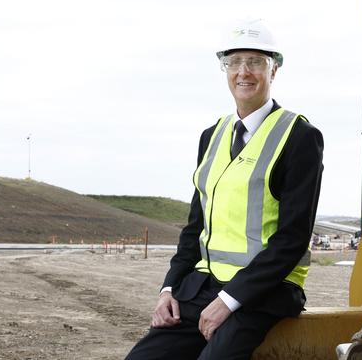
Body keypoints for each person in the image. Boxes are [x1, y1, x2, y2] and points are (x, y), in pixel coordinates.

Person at [125, 18, 323, 360]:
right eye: (235, 62)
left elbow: (292, 239)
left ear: (273, 70)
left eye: (256, 62)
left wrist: (229, 301)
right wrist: (169, 288)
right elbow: (194, 228)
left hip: (263, 293)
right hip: (203, 286)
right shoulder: (211, 136)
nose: (244, 72)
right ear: (225, 69)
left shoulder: (300, 138)